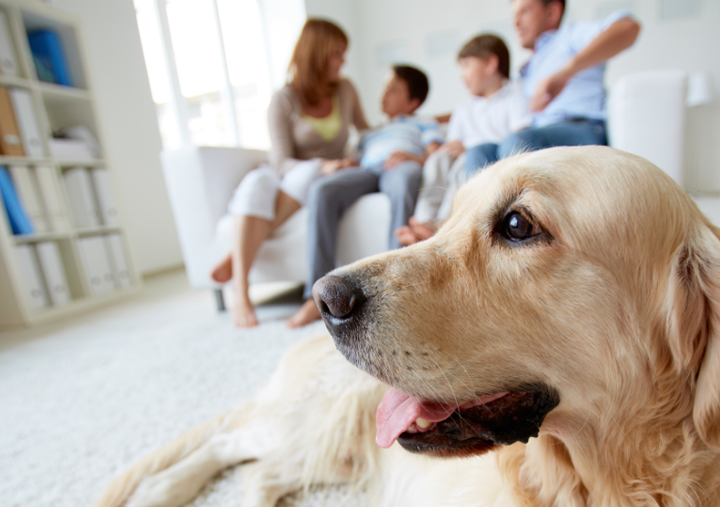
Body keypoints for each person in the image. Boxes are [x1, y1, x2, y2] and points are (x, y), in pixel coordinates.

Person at [210, 19, 369, 327]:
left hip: (323, 178)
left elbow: (366, 132)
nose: (343, 60)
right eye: (337, 52)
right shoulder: (284, 99)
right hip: (291, 174)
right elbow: (281, 160)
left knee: (312, 176)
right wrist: (322, 164)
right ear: (317, 53)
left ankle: (236, 256)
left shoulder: (346, 90)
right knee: (256, 181)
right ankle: (240, 293)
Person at [287, 65, 444, 328]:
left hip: (400, 166)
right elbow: (358, 159)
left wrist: (413, 157)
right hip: (367, 170)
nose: (385, 94)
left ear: (413, 101)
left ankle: (394, 287)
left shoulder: (423, 122)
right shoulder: (370, 134)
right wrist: (348, 163)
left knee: (406, 180)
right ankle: (313, 297)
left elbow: (436, 152)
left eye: (394, 89)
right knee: (322, 189)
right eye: (385, 87)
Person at [463, 0, 641, 176]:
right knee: (479, 152)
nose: (515, 23)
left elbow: (627, 27)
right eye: (514, 15)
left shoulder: (568, 38)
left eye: (524, 11)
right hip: (537, 136)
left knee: (518, 142)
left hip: (582, 129)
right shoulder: (528, 69)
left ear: (552, 12)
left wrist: (564, 73)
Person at [395, 34, 532, 246]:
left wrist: (465, 149)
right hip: (459, 157)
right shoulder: (464, 109)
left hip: (484, 160)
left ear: (490, 64)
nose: (462, 75)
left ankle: (444, 223)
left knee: (463, 163)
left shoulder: (515, 98)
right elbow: (452, 143)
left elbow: (519, 140)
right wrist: (450, 148)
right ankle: (423, 221)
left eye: (467, 66)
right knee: (438, 160)